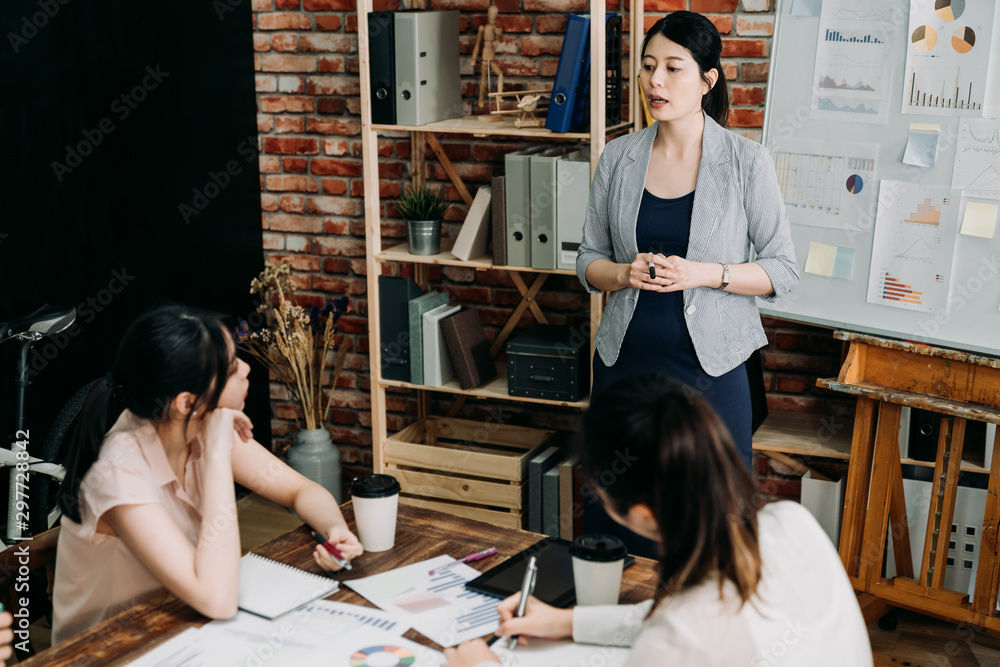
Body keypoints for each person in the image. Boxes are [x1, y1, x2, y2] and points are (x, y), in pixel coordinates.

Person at [442, 374, 873, 667]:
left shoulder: (677, 639)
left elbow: (685, 630)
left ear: (642, 514)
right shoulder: (793, 523)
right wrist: (566, 622)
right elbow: (683, 620)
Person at [51, 303, 363, 644]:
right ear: (187, 403)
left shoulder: (200, 421)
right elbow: (218, 601)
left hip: (179, 627)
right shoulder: (119, 472)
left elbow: (300, 491)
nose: (246, 369)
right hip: (110, 652)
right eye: (230, 369)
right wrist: (216, 453)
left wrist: (334, 531)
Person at [576, 9, 799, 472]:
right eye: (648, 65)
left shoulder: (747, 162)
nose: (655, 80)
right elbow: (588, 260)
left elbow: (783, 269)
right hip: (625, 366)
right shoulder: (618, 157)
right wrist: (623, 273)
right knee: (619, 516)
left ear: (706, 80)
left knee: (711, 521)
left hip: (710, 374)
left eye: (673, 68)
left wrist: (704, 274)